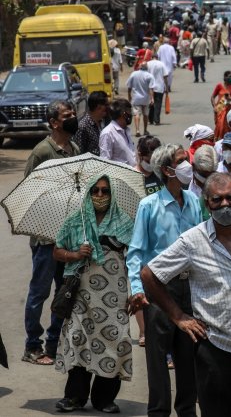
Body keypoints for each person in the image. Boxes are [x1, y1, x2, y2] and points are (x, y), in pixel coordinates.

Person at [141, 173, 231, 417]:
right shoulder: (193, 241)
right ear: (207, 203)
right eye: (217, 200)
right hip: (215, 349)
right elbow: (150, 275)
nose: (225, 205)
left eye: (230, 198)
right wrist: (179, 316)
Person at [126, 144, 201, 417]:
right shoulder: (149, 206)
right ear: (167, 170)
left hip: (189, 287)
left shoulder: (194, 202)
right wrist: (137, 290)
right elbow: (135, 253)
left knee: (188, 354)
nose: (187, 165)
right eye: (182, 161)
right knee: (157, 359)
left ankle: (186, 410)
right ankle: (158, 411)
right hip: (157, 289)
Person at [53, 175, 135, 413]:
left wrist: (136, 292)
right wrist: (75, 254)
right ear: (88, 194)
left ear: (112, 194)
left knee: (115, 341)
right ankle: (74, 397)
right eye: (95, 191)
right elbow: (57, 252)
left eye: (105, 191)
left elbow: (136, 259)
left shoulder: (124, 222)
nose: (100, 196)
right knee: (78, 340)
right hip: (81, 296)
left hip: (114, 297)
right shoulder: (74, 222)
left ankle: (104, 399)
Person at [22, 100, 80, 366]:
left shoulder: (74, 149)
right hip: (46, 238)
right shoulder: (42, 152)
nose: (72, 118)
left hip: (68, 238)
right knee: (39, 293)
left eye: (73, 114)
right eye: (67, 116)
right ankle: (32, 346)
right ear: (54, 122)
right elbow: (28, 194)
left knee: (64, 291)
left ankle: (53, 344)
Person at [99, 99, 137, 166]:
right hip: (119, 175)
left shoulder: (125, 130)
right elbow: (104, 162)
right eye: (129, 112)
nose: (131, 115)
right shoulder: (108, 133)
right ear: (123, 114)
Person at [73, 91, 109, 155]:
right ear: (98, 107)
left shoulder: (103, 122)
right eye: (106, 105)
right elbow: (79, 153)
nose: (108, 107)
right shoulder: (83, 126)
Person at [126, 62, 155, 137]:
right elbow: (151, 88)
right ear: (146, 67)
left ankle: (137, 130)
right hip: (146, 99)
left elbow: (129, 87)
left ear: (140, 66)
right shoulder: (149, 76)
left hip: (136, 98)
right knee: (145, 114)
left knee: (136, 114)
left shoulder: (134, 74)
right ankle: (145, 130)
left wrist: (129, 96)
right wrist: (152, 98)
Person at [146, 54, 168, 126]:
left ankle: (150, 119)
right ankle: (156, 120)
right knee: (158, 104)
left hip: (150, 86)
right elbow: (165, 76)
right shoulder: (161, 64)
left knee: (151, 103)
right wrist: (167, 87)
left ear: (151, 57)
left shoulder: (148, 64)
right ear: (157, 57)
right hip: (159, 86)